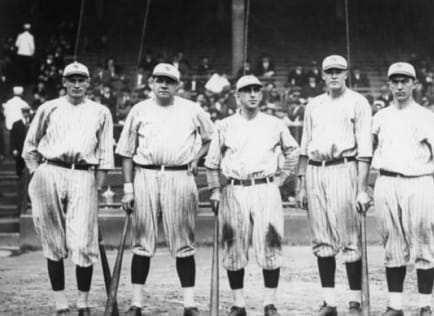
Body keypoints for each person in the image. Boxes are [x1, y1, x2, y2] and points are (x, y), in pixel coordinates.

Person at [115, 63, 215, 316]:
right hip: (145, 175)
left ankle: (189, 304)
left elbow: (212, 137)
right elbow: (126, 151)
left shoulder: (191, 109)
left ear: (177, 85)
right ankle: (136, 304)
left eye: (169, 81)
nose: (163, 85)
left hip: (180, 176)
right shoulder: (139, 110)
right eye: (159, 80)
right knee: (142, 243)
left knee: (183, 242)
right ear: (151, 82)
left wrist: (196, 158)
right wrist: (128, 189)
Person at [22, 61, 115, 316]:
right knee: (52, 238)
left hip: (83, 173)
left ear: (88, 83)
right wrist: (37, 173)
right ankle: (60, 301)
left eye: (81, 80)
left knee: (84, 241)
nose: (76, 85)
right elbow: (30, 146)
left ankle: (83, 302)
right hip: (50, 169)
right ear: (63, 82)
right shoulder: (48, 107)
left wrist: (97, 186)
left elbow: (106, 154)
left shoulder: (100, 112)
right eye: (71, 80)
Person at [371, 62, 434, 316]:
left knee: (424, 244)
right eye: (395, 81)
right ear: (388, 84)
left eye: (405, 81)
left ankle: (424, 306)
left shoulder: (426, 117)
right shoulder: (379, 117)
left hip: (419, 183)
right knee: (392, 246)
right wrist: (364, 187)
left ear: (414, 84)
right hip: (386, 183)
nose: (399, 86)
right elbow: (367, 154)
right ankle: (395, 306)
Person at [205, 74, 300, 316]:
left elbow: (293, 150)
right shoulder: (224, 124)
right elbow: (212, 162)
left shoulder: (274, 123)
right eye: (247, 91)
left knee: (270, 244)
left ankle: (270, 303)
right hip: (234, 190)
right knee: (234, 247)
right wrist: (215, 189)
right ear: (237, 96)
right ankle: (239, 304)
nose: (253, 94)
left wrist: (281, 178)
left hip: (265, 188)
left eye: (257, 90)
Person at [296, 55, 373, 316]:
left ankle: (354, 300)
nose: (334, 76)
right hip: (316, 171)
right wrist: (301, 184)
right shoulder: (313, 105)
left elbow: (365, 150)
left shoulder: (358, 102)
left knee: (350, 237)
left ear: (347, 73)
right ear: (322, 75)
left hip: (344, 167)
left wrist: (362, 188)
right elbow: (305, 147)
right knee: (322, 238)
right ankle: (329, 302)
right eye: (329, 71)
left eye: (339, 71)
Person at [10, 104, 31, 176]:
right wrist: (14, 148)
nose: (25, 114)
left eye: (27, 112)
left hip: (30, 151)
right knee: (19, 170)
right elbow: (13, 138)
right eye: (24, 112)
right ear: (22, 113)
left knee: (30, 169)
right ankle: (19, 185)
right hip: (20, 150)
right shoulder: (16, 124)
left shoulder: (32, 123)